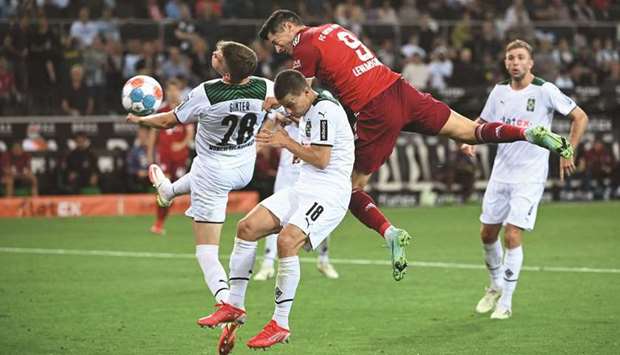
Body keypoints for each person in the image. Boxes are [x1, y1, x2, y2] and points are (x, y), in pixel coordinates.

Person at [258, 10, 574, 281]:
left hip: (374, 109)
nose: (278, 48)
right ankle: (527, 133)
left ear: (288, 26)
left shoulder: (304, 44)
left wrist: (281, 110)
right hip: (399, 89)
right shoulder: (331, 29)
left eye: (275, 40)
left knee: (349, 187)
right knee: (468, 131)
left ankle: (389, 233)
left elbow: (302, 95)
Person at [125, 40, 273, 355]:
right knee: (199, 173)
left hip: (214, 171)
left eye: (219, 54)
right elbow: (285, 103)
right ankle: (169, 190)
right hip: (244, 166)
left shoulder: (208, 92)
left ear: (228, 70)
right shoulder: (265, 87)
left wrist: (140, 121)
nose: (214, 54)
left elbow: (168, 121)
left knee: (206, 252)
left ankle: (226, 303)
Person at [197, 69, 354, 350]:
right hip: (304, 188)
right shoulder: (308, 103)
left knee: (286, 241)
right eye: (287, 105)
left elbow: (321, 158)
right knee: (246, 227)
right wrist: (278, 107)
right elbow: (298, 105)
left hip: (329, 193)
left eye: (292, 104)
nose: (290, 109)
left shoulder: (326, 111)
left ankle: (280, 323)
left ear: (307, 92)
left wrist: (287, 142)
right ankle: (234, 305)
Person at [460, 40, 588, 320]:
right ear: (505, 63)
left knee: (512, 234)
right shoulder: (499, 92)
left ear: (530, 63)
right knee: (487, 234)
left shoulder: (545, 91)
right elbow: (481, 123)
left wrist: (568, 149)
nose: (515, 62)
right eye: (510, 58)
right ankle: (494, 285)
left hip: (529, 176)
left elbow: (580, 117)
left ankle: (505, 302)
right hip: (501, 173)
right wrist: (468, 140)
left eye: (520, 57)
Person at [254, 123, 340, 281]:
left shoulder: (319, 111)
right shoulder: (284, 105)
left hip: (310, 173)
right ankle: (267, 264)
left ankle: (324, 259)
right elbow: (267, 127)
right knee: (274, 215)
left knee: (320, 216)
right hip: (287, 173)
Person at [147, 78, 194, 235]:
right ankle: (159, 223)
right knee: (165, 188)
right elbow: (153, 134)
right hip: (165, 156)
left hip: (180, 157)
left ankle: (196, 215)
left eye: (175, 90)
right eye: (170, 90)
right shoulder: (161, 110)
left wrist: (181, 145)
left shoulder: (185, 108)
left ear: (179, 91)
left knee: (177, 190)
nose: (173, 93)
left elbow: (190, 133)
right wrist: (149, 153)